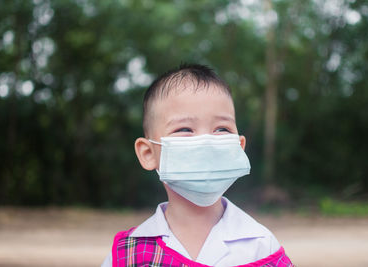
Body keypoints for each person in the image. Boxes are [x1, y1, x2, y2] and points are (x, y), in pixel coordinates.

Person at [101, 64, 293, 267]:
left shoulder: (261, 247)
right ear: (148, 153)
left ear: (238, 146)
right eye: (184, 128)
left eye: (221, 129)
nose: (206, 142)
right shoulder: (129, 254)